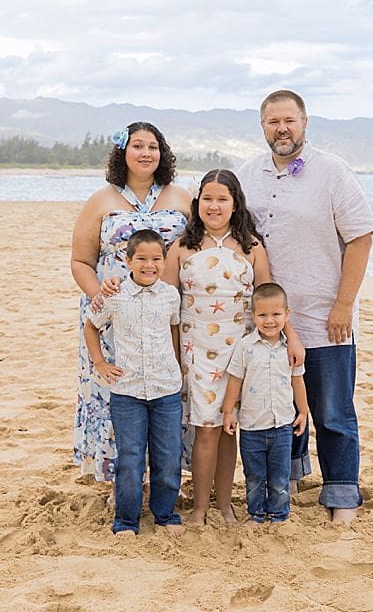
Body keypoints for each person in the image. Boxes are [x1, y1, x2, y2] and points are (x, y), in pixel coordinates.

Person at [236, 89, 373, 524]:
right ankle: (292, 479)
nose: (282, 129)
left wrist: (343, 305)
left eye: (289, 121)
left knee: (332, 412)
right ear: (263, 126)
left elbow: (361, 237)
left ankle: (342, 494)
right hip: (268, 323)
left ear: (304, 123)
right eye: (273, 122)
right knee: (278, 409)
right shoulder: (247, 174)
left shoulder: (332, 171)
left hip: (324, 318)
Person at [164, 168, 304, 527]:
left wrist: (292, 337)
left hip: (242, 352)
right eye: (207, 199)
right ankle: (200, 508)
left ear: (235, 203)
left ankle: (225, 505)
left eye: (222, 199)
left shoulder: (251, 247)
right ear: (197, 203)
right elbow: (165, 305)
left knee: (229, 429)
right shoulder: (182, 247)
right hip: (197, 351)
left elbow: (270, 296)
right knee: (206, 429)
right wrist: (170, 352)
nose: (214, 206)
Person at [70, 122, 190, 485]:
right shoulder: (101, 200)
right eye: (137, 146)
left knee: (164, 389)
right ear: (123, 153)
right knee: (117, 389)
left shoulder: (181, 197)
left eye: (153, 146)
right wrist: (100, 296)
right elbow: (80, 260)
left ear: (162, 153)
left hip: (164, 312)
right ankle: (119, 480)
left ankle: (163, 477)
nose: (145, 153)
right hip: (113, 315)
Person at [83, 229, 185, 535]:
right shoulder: (114, 296)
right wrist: (100, 363)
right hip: (127, 391)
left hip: (166, 388)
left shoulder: (170, 295)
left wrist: (177, 366)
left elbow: (174, 330)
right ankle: (126, 520)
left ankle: (165, 514)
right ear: (128, 261)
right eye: (141, 258)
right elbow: (91, 327)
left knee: (168, 456)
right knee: (130, 457)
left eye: (156, 259)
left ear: (164, 262)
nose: (149, 265)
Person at [222, 283, 309, 525]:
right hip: (252, 427)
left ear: (287, 315)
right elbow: (235, 381)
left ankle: (279, 515)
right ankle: (257, 514)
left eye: (276, 314)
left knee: (280, 476)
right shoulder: (245, 346)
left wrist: (303, 411)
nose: (269, 321)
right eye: (262, 315)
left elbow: (298, 380)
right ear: (253, 316)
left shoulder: (290, 349)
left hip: (282, 426)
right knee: (254, 476)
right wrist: (228, 412)